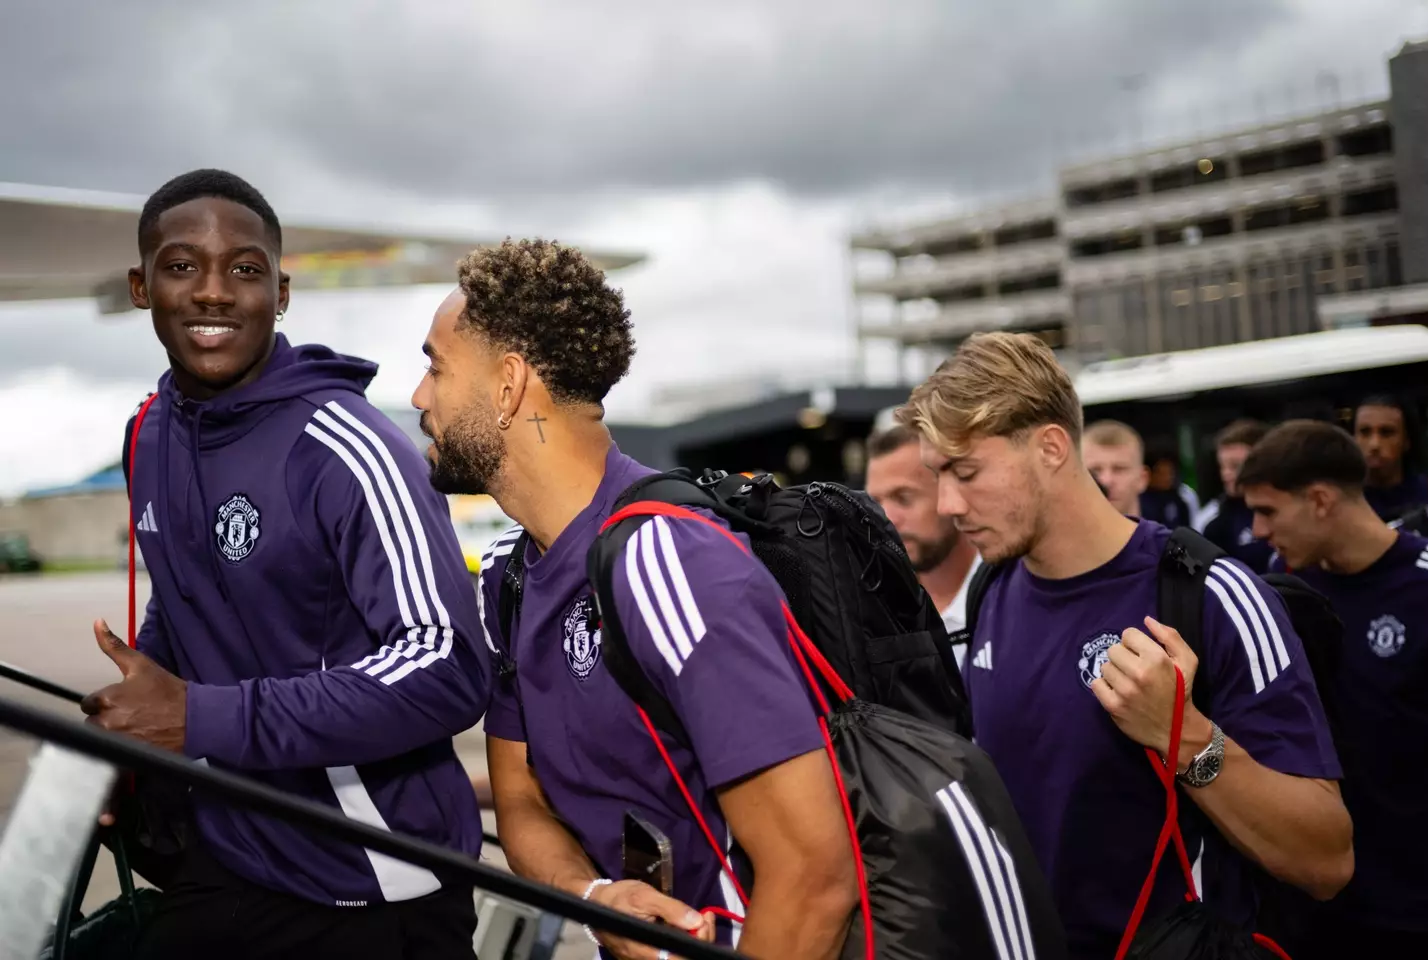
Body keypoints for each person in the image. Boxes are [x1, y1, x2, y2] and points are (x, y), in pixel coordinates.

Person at [80, 170, 490, 959]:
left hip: (371, 885)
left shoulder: (350, 448)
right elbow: (190, 599)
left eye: (244, 269)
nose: (212, 293)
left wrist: (201, 717)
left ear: (283, 291)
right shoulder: (149, 436)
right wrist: (137, 726)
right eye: (179, 266)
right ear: (140, 287)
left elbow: (447, 664)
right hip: (226, 856)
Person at [413, 239, 857, 960]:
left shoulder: (669, 560)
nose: (419, 397)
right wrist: (593, 900)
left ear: (508, 384)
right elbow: (521, 801)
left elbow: (815, 876)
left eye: (435, 366)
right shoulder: (508, 575)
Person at [896, 331, 1353, 960]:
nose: (948, 503)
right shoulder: (992, 590)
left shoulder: (1211, 595)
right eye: (938, 475)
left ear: (1051, 447)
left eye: (966, 472)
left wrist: (1185, 736)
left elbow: (1326, 859)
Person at [1238, 420, 1428, 956]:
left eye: (1269, 511)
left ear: (1321, 500)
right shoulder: (1279, 589)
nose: (1257, 530)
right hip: (1319, 906)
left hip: (1423, 906)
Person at [864, 422, 980, 649]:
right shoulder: (877, 613)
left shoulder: (1012, 592)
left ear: (952, 492)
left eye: (903, 497)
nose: (886, 519)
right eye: (874, 504)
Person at [1198, 419, 1273, 574]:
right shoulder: (1213, 522)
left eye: (1235, 466)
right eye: (1222, 466)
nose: (1226, 474)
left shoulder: (1292, 509)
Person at [1353, 395, 1428, 523]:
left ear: (1406, 441)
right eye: (1365, 432)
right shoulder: (1340, 502)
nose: (1374, 444)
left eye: (1386, 433)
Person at [1081, 419, 1149, 518]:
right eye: (1095, 470)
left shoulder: (1168, 534)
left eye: (1119, 469)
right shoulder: (1058, 533)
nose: (1106, 481)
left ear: (1143, 479)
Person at [1139, 444, 1197, 529]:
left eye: (1170, 473)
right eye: (1161, 473)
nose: (1167, 477)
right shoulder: (1139, 501)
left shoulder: (1182, 498)